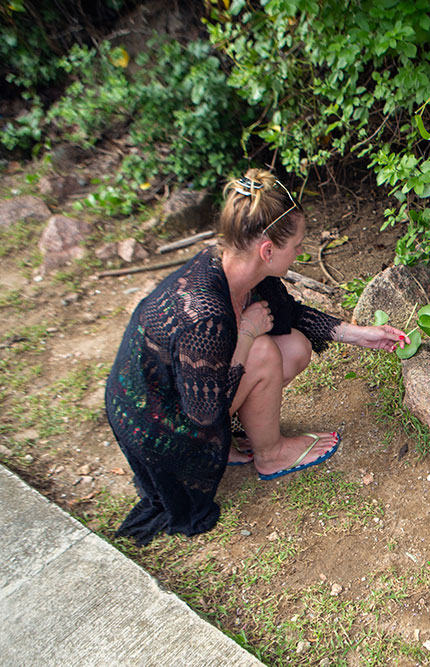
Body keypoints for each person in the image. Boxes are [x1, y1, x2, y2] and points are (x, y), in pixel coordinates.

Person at [105, 168, 408, 546]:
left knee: (293, 347)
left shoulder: (238, 267)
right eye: (297, 245)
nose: (300, 251)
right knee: (263, 350)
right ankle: (271, 454)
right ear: (268, 250)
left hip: (179, 399)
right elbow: (203, 412)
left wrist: (361, 336)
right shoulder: (204, 314)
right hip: (159, 427)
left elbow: (290, 315)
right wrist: (246, 335)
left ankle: (237, 444)